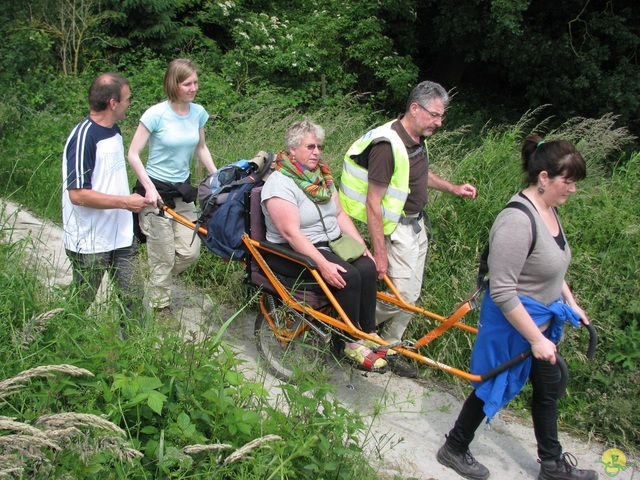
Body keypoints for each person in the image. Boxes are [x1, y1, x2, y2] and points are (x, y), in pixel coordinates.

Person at [436, 136, 597, 480]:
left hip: (539, 317)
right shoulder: (517, 221)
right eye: (567, 182)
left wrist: (571, 302)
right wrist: (536, 340)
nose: (573, 190)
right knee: (494, 383)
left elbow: (552, 265)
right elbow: (505, 291)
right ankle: (454, 447)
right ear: (543, 178)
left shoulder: (548, 210)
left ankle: (551, 465)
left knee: (547, 386)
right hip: (513, 321)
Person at [339, 80, 477, 377]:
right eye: (435, 115)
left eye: (441, 116)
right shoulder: (387, 146)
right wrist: (380, 254)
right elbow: (373, 203)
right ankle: (347, 333)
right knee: (399, 296)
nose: (439, 122)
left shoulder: (415, 138)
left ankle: (388, 349)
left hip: (416, 226)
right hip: (395, 230)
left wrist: (453, 188)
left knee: (410, 298)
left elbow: (419, 176)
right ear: (415, 109)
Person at [261, 120, 388, 373]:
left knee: (367, 267)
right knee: (347, 276)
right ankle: (351, 343)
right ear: (293, 149)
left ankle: (367, 333)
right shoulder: (279, 182)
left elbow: (339, 214)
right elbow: (291, 233)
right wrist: (323, 264)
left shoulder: (322, 177)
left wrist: (362, 246)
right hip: (291, 250)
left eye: (319, 146)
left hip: (328, 241)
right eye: (310, 146)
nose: (317, 152)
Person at [128, 58, 217, 312]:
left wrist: (216, 175)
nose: (193, 88)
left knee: (190, 252)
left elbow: (201, 148)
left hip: (183, 192)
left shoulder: (198, 113)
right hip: (154, 192)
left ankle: (155, 282)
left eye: (196, 82)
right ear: (173, 84)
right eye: (187, 83)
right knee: (163, 255)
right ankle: (158, 307)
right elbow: (133, 154)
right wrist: (149, 188)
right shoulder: (155, 114)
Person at [62, 73, 149, 318]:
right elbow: (78, 194)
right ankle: (56, 341)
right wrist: (125, 202)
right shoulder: (83, 138)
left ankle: (130, 350)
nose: (129, 104)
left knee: (132, 297)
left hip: (120, 235)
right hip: (90, 240)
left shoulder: (115, 131)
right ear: (113, 103)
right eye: (127, 99)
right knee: (82, 300)